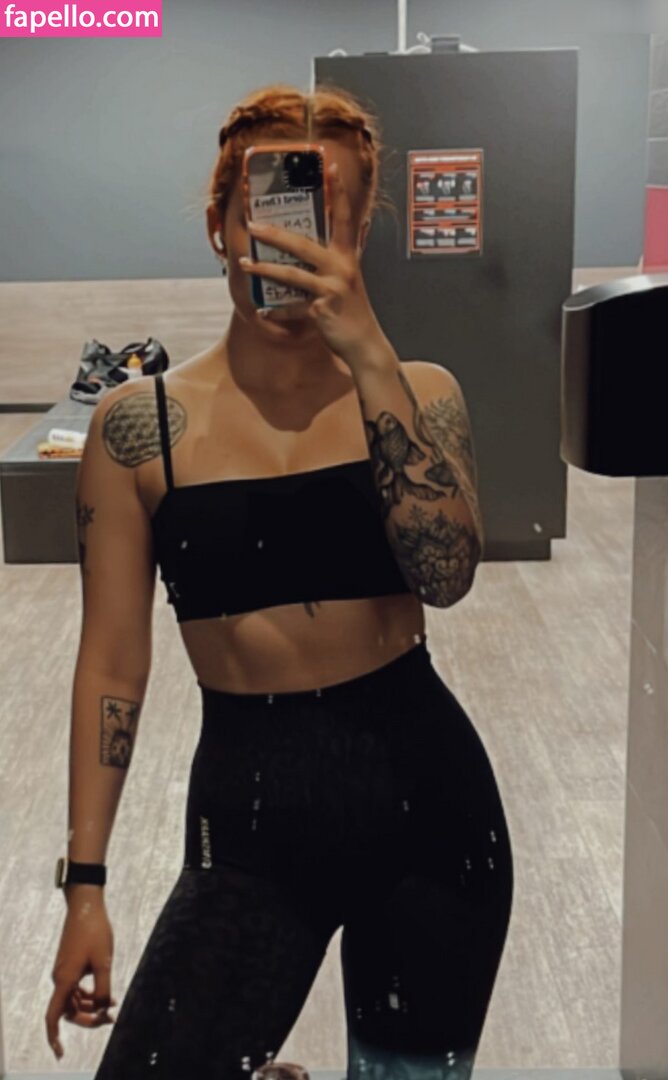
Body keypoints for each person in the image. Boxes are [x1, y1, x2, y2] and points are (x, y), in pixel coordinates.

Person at [45, 82, 514, 1079]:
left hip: (431, 818)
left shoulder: (419, 393)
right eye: (274, 214)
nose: (299, 244)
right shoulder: (139, 430)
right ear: (220, 227)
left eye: (329, 222)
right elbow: (113, 662)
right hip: (249, 827)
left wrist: (369, 351)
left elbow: (445, 575)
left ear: (359, 237)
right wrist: (85, 882)